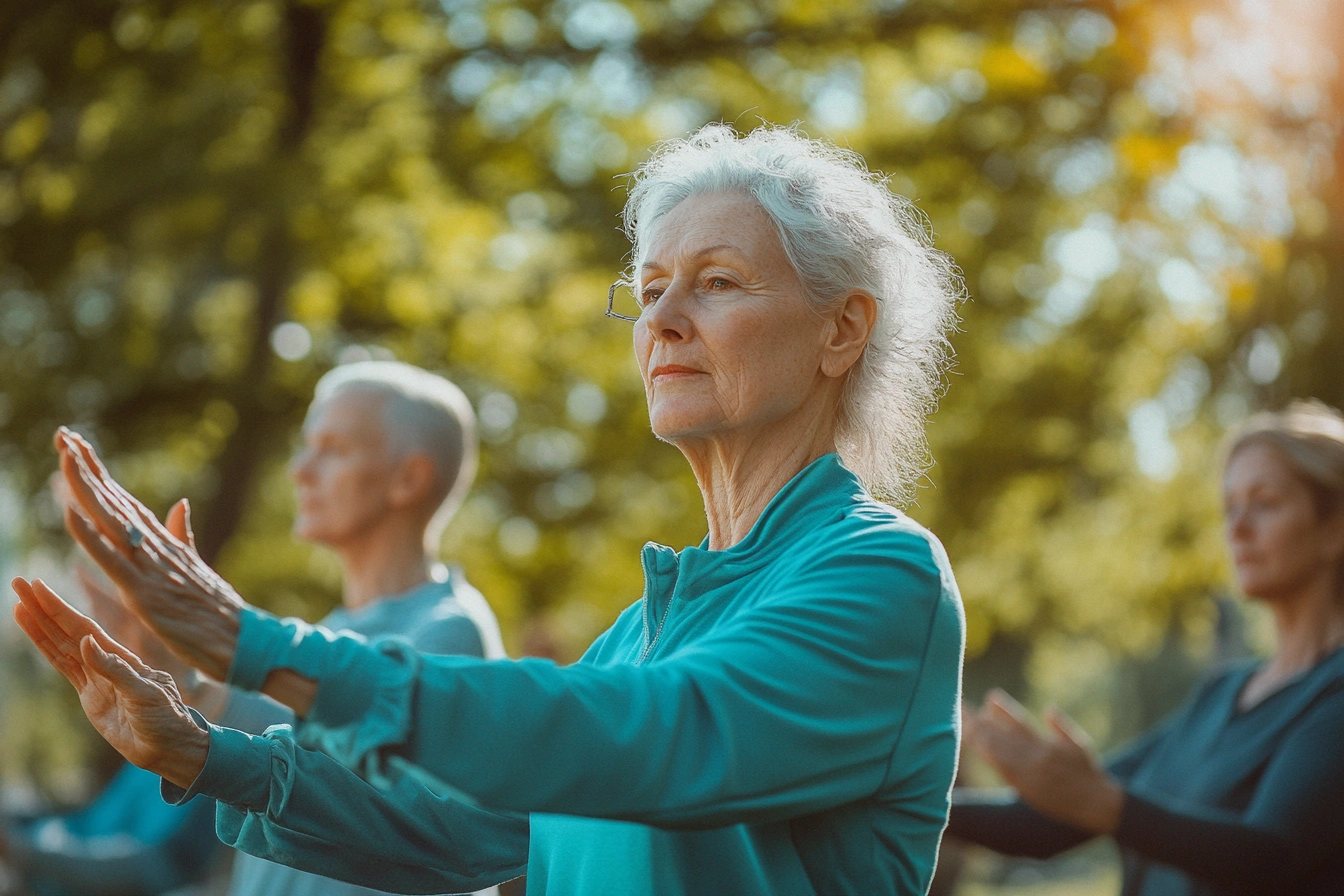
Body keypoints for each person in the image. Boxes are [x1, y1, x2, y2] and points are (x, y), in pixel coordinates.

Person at [13, 124, 966, 896]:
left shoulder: (882, 574)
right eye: (647, 290)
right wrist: (206, 751)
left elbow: (657, 737)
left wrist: (257, 644)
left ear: (842, 329)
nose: (663, 318)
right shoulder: (640, 630)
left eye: (716, 282)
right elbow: (459, 830)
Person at [60, 361, 508, 896]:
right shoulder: (331, 631)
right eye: (306, 444)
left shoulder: (451, 631)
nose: (299, 469)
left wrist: (204, 688)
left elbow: (343, 778)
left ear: (409, 478)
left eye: (333, 448)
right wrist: (180, 675)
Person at [947, 400, 1344, 895]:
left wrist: (1107, 805)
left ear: (1334, 528)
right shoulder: (1223, 692)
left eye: (1264, 503)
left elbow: (1270, 858)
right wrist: (904, 798)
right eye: (1230, 508)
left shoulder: (1333, 693)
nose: (1238, 529)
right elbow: (1047, 824)